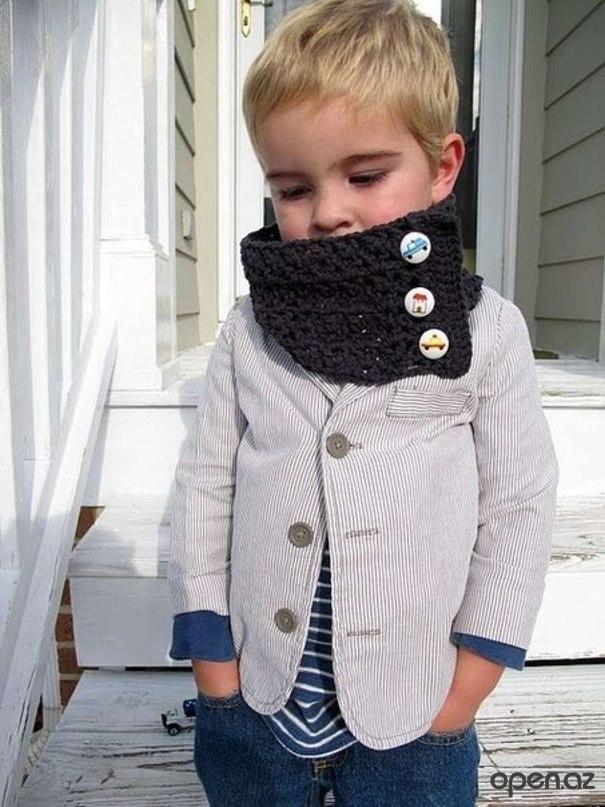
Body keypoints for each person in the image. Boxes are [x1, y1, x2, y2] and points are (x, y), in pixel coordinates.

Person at [166, 1, 560, 804]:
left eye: (365, 175)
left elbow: (519, 504)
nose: (327, 211)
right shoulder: (250, 329)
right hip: (256, 709)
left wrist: (466, 688)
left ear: (442, 165)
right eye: (291, 188)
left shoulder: (486, 329)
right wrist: (213, 666)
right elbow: (206, 487)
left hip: (416, 717)